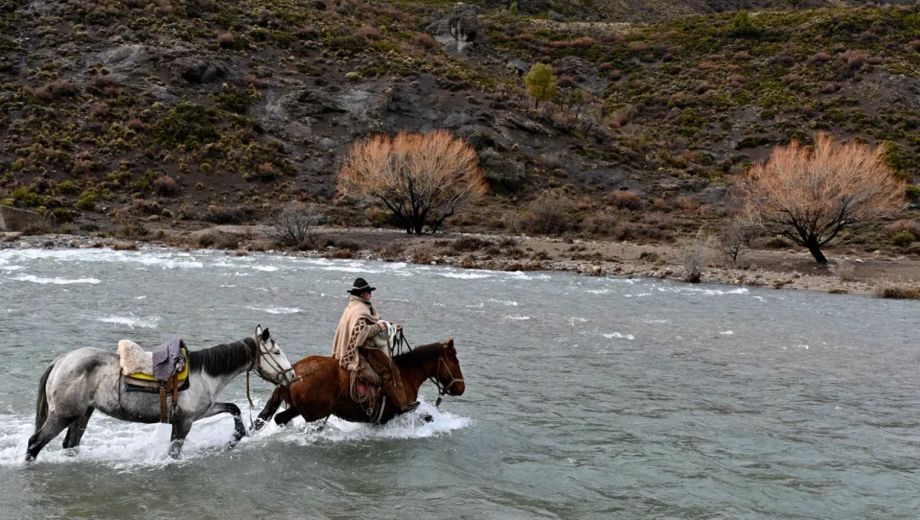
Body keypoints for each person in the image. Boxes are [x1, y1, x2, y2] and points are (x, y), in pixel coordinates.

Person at [332, 277, 419, 414]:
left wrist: (390, 326)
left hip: (352, 348)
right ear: (362, 294)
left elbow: (368, 325)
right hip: (363, 350)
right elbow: (360, 335)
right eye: (368, 292)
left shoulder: (352, 307)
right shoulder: (360, 310)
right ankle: (402, 405)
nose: (370, 295)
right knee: (390, 371)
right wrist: (379, 327)